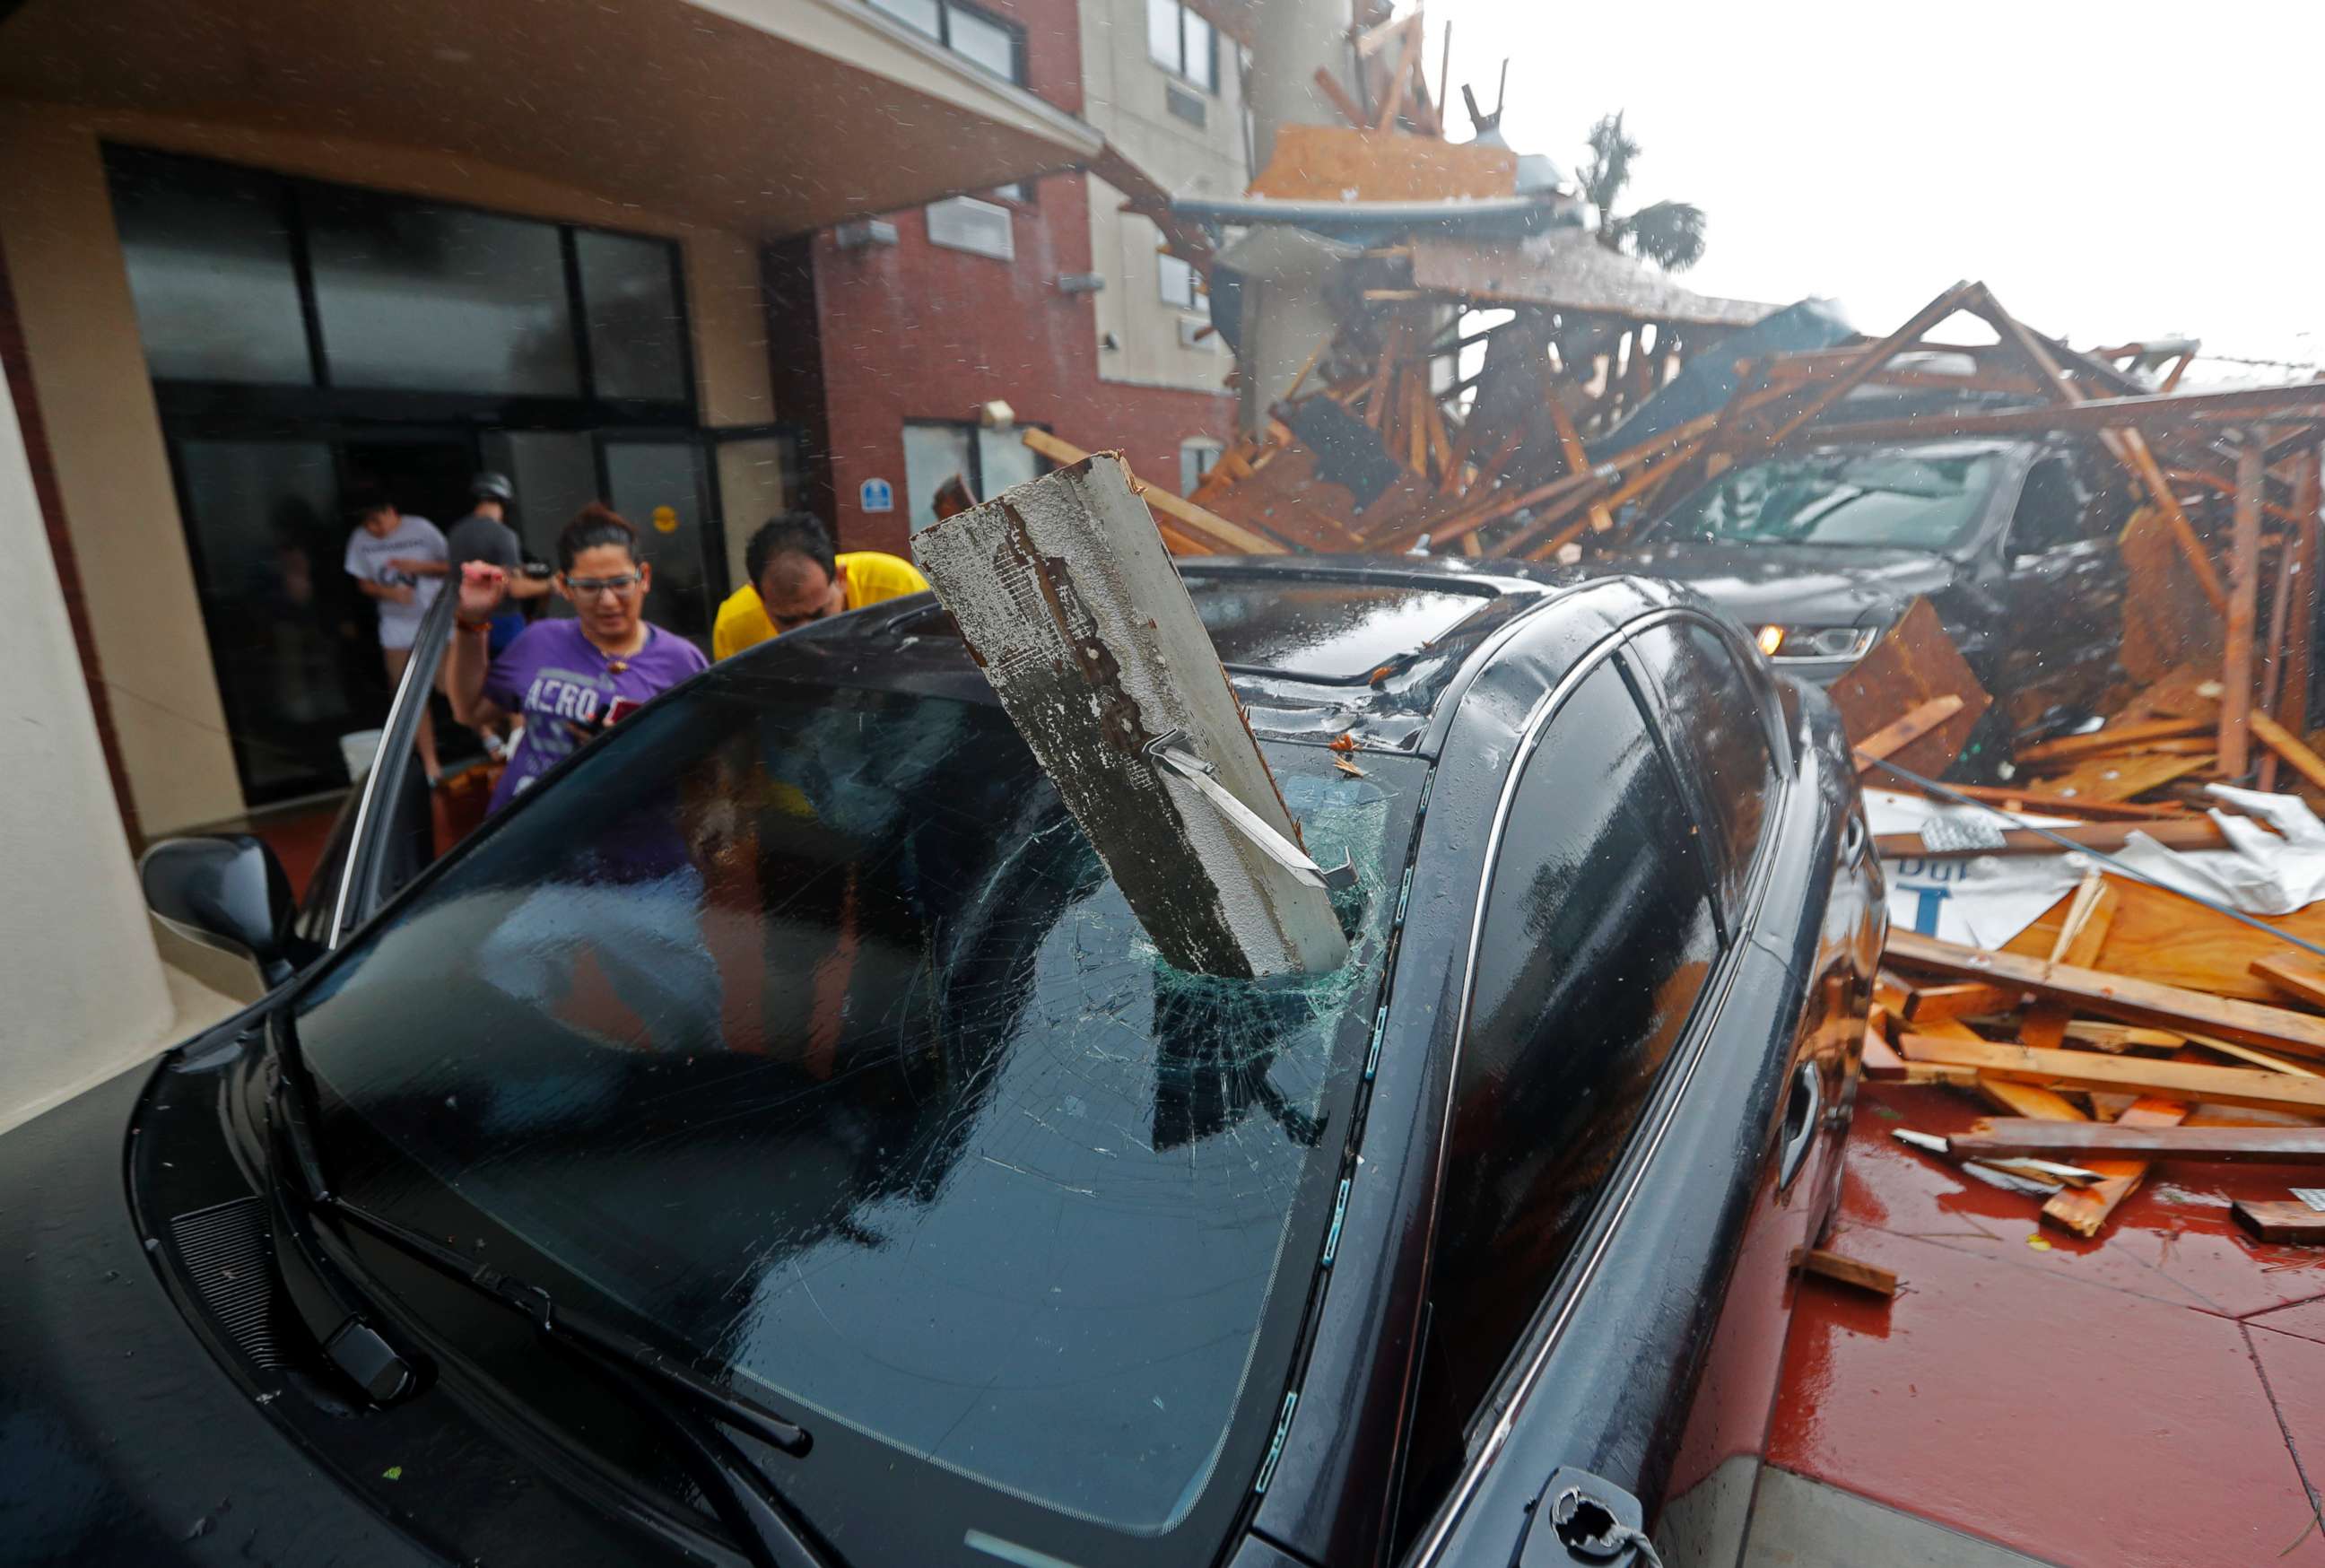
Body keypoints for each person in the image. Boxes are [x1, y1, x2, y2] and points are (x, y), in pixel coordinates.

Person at [446, 502, 709, 814]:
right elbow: (470, 712)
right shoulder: (539, 640)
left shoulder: (681, 662)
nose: (608, 601)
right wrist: (471, 622)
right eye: (588, 587)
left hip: (629, 840)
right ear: (564, 586)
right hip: (526, 831)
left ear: (644, 578)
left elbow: (705, 767)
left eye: (620, 583)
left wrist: (633, 752)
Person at [710, 511, 928, 660]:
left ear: (841, 578)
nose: (807, 634)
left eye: (819, 615)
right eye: (788, 621)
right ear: (757, 593)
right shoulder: (735, 626)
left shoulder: (897, 588)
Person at [343, 482, 446, 784]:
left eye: (377, 521)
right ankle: (430, 764)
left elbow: (451, 566)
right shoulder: (360, 539)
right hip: (395, 628)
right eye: (367, 524)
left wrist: (418, 566)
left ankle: (494, 737)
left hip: (434, 622)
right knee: (409, 696)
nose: (374, 529)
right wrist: (387, 592)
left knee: (447, 684)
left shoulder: (421, 529)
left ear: (391, 511)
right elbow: (362, 583)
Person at [409, 472, 551, 657]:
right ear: (505, 501)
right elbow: (515, 587)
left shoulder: (456, 532)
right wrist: (551, 585)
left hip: (468, 621)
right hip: (504, 622)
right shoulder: (503, 534)